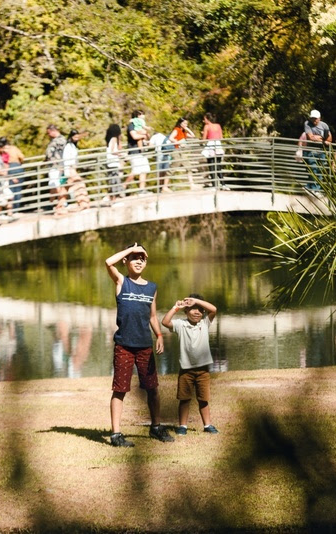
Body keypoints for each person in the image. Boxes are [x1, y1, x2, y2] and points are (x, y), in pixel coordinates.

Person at [105, 243, 174, 447]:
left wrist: (159, 335)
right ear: (126, 260)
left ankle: (156, 428)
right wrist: (130, 250)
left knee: (152, 388)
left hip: (144, 345)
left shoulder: (151, 287)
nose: (138, 261)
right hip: (124, 345)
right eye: (134, 257)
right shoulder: (121, 281)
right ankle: (116, 434)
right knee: (120, 389)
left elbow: (153, 316)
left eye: (142, 258)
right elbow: (108, 262)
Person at [161, 294, 220, 435]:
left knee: (203, 399)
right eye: (193, 309)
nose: (197, 312)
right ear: (186, 311)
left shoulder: (205, 323)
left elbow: (214, 309)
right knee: (184, 399)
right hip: (185, 370)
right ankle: (183, 426)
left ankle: (207, 425)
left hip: (203, 370)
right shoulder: (181, 324)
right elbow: (165, 322)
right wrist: (176, 307)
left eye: (200, 309)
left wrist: (197, 301)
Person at [303, 109, 332, 190]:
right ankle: (313, 188)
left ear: (319, 118)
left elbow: (329, 139)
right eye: (312, 118)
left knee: (320, 170)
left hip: (322, 151)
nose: (314, 120)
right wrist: (322, 139)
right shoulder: (307, 124)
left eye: (315, 118)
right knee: (313, 167)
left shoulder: (324, 126)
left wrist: (318, 138)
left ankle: (314, 188)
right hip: (311, 150)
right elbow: (310, 137)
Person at [62, 129, 90, 211]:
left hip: (72, 169)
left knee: (66, 189)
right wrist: (68, 171)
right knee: (79, 186)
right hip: (70, 169)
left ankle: (60, 205)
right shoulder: (68, 146)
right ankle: (83, 204)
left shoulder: (73, 146)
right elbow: (66, 160)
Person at [45, 124, 68, 214]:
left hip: (57, 165)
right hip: (53, 165)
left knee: (56, 183)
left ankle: (62, 202)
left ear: (52, 131)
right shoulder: (57, 140)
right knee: (53, 184)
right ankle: (51, 202)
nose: (48, 135)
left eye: (49, 133)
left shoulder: (60, 140)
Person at [124, 111, 150, 194]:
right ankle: (122, 188)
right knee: (136, 171)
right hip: (134, 151)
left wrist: (145, 134)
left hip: (141, 152)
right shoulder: (131, 125)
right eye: (142, 114)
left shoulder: (141, 124)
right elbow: (134, 136)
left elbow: (147, 136)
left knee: (144, 170)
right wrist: (143, 135)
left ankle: (142, 189)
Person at [168, 117, 196, 188]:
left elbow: (193, 136)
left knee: (188, 167)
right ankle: (165, 185)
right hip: (176, 150)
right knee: (173, 168)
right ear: (180, 123)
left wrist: (187, 129)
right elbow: (171, 138)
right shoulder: (176, 130)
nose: (185, 124)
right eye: (184, 123)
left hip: (182, 151)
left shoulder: (184, 131)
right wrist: (178, 142)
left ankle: (191, 184)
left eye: (186, 123)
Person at [201, 113, 225, 189]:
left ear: (207, 119)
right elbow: (221, 137)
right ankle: (223, 184)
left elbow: (204, 139)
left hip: (211, 146)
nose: (204, 121)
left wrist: (203, 135)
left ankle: (214, 185)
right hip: (218, 145)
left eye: (204, 119)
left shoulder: (206, 126)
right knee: (218, 166)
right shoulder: (218, 126)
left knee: (211, 166)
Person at [105, 123, 124, 200]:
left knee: (113, 180)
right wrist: (120, 154)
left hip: (110, 162)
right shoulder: (114, 139)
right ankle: (115, 197)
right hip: (113, 162)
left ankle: (114, 197)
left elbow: (119, 147)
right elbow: (113, 151)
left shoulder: (110, 139)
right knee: (115, 180)